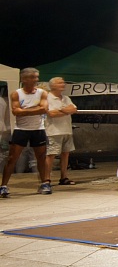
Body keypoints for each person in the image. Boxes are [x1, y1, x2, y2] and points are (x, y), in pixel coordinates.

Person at [2, 67, 54, 197]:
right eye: (33, 77)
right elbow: (15, 112)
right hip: (21, 130)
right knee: (12, 158)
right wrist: (35, 109)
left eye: (37, 77)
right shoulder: (16, 94)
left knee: (41, 158)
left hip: (38, 129)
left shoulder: (42, 93)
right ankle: (3, 186)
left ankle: (45, 183)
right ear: (24, 79)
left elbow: (43, 109)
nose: (36, 80)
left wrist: (25, 110)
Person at [46, 76, 79, 186]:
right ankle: (46, 179)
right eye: (60, 83)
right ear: (53, 85)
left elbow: (73, 109)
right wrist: (65, 110)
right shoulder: (48, 98)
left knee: (66, 154)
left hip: (67, 130)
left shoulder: (66, 98)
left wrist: (61, 111)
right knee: (51, 155)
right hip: (53, 131)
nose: (63, 84)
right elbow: (51, 114)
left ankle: (63, 177)